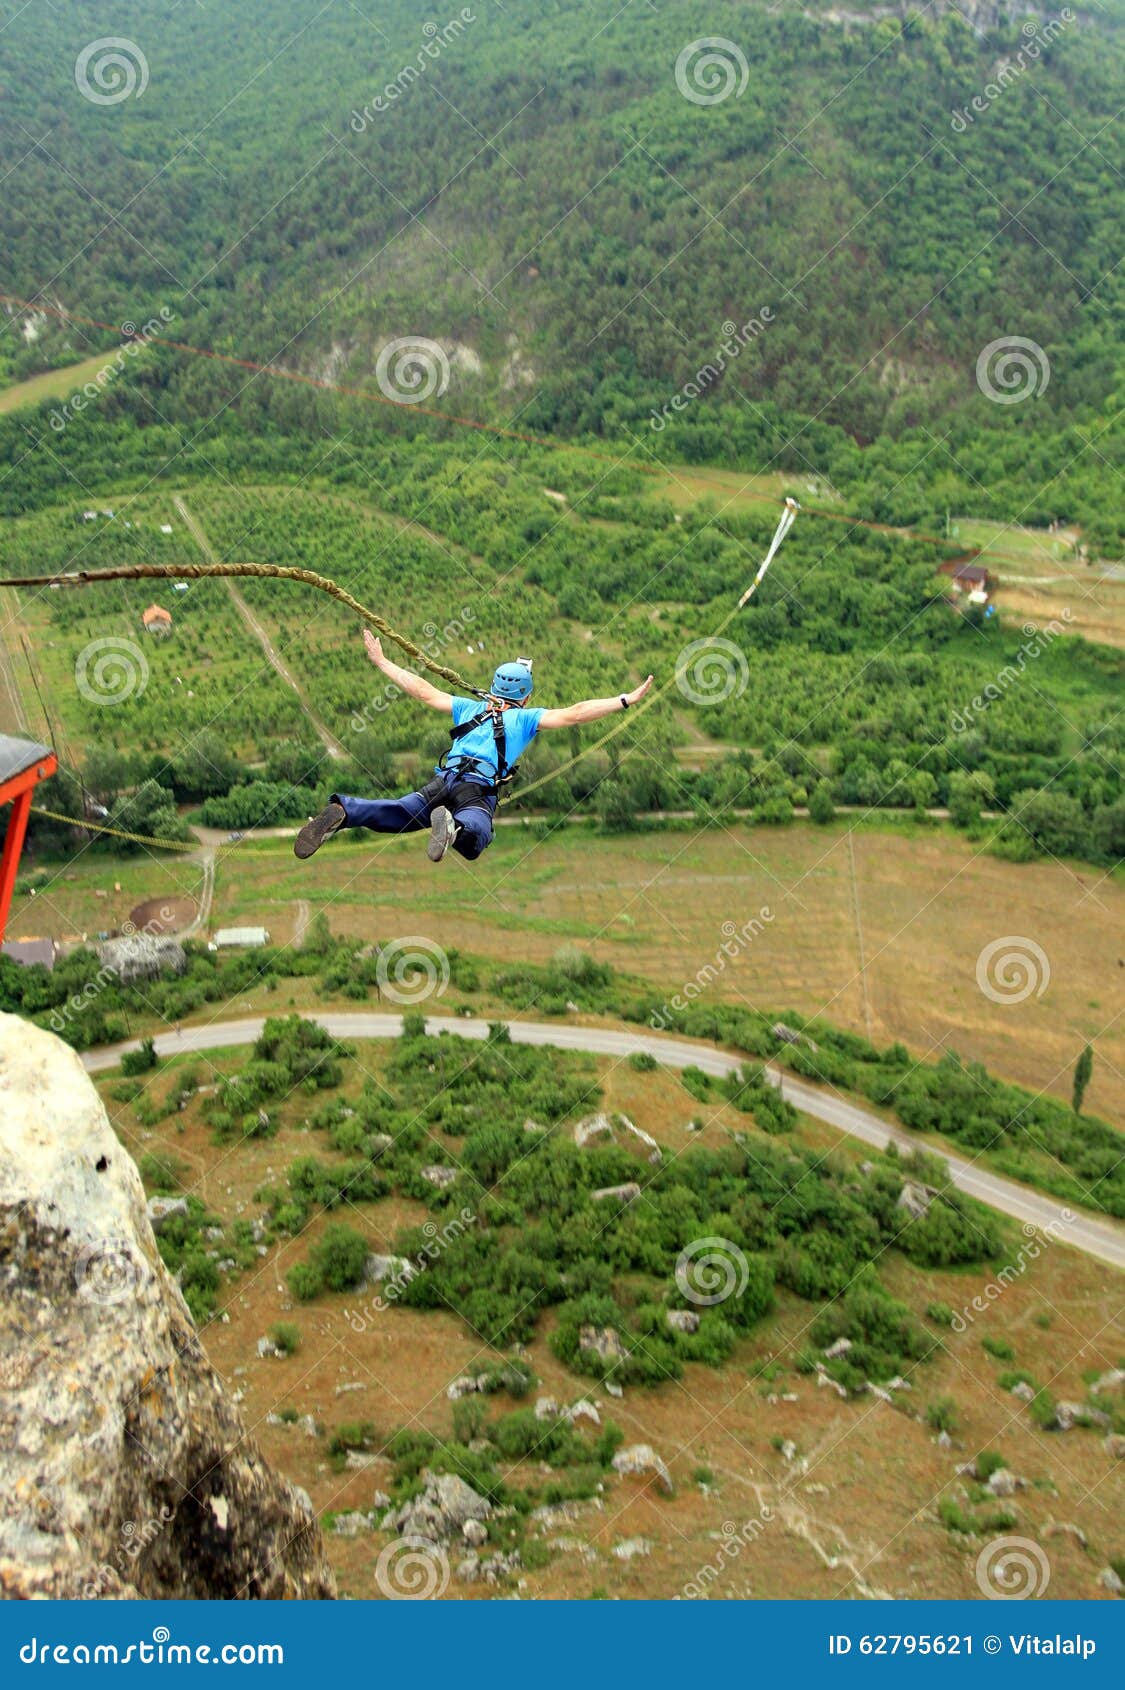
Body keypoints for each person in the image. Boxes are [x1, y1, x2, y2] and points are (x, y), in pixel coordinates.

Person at [294, 629, 654, 865]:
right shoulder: (524, 719)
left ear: (493, 687)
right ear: (526, 696)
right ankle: (454, 828)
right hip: (475, 790)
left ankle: (346, 812)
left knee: (399, 814)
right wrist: (624, 700)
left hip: (442, 780)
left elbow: (423, 690)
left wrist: (383, 661)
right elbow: (576, 714)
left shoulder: (472, 707)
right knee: (478, 834)